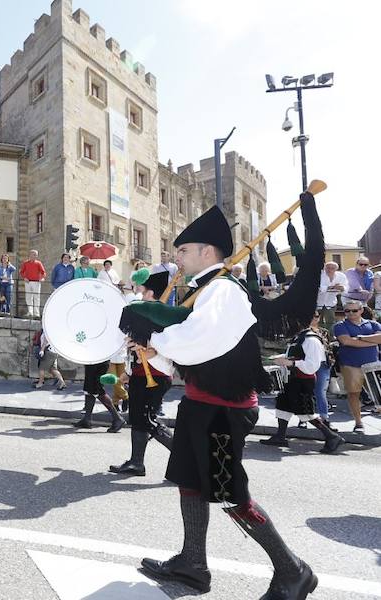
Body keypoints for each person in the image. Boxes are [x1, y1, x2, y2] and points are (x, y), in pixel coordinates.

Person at [136, 201, 318, 598]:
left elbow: (201, 340)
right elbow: (195, 344)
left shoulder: (222, 289)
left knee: (229, 493)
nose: (176, 258)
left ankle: (292, 571)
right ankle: (193, 564)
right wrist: (156, 346)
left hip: (222, 411)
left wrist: (154, 336)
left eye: (183, 251)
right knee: (190, 482)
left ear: (207, 251)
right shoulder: (206, 290)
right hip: (201, 403)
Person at [110, 269, 174, 476]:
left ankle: (185, 456)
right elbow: (135, 350)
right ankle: (137, 462)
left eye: (142, 289)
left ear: (150, 293)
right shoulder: (142, 315)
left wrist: (151, 353)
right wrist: (130, 370)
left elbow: (170, 351)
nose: (138, 292)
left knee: (147, 419)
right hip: (140, 375)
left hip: (157, 376)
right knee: (138, 418)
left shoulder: (165, 318)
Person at [261, 312, 345, 452]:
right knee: (283, 406)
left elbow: (312, 365)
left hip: (303, 381)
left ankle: (332, 437)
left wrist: (291, 363)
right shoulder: (299, 337)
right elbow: (294, 356)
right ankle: (280, 437)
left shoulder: (311, 340)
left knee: (305, 412)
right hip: (292, 379)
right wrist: (280, 358)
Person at [333, 299, 381, 433]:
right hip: (351, 365)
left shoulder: (372, 324)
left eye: (354, 310)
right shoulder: (340, 325)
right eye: (347, 311)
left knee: (379, 394)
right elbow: (346, 341)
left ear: (361, 310)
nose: (350, 313)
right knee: (354, 394)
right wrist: (371, 341)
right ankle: (358, 423)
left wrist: (359, 338)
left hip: (373, 365)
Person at [73, 359, 124, 432]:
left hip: (98, 360)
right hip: (92, 360)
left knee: (97, 390)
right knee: (89, 389)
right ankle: (87, 419)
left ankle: (118, 419)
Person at [316, 261, 347, 333]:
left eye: (332, 268)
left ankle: (330, 336)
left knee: (331, 321)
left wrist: (341, 287)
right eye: (328, 268)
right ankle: (319, 336)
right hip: (318, 302)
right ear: (325, 268)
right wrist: (331, 287)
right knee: (318, 321)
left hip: (331, 302)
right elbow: (317, 287)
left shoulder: (341, 276)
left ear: (336, 269)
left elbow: (346, 287)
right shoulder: (319, 275)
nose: (330, 269)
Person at [19, 250, 46, 318]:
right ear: (29, 255)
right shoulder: (25, 263)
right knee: (28, 297)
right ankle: (30, 312)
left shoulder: (38, 263)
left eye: (34, 255)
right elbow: (21, 272)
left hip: (36, 282)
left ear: (36, 256)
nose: (33, 256)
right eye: (32, 254)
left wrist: (42, 278)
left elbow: (43, 272)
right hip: (28, 282)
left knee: (36, 297)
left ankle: (36, 313)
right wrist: (24, 277)